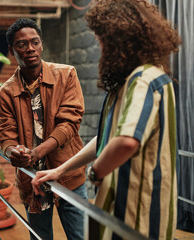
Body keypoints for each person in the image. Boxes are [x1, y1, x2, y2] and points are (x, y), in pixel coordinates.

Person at [32, 0, 181, 239]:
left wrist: (95, 173)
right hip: (118, 209)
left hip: (138, 213)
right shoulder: (126, 84)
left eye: (102, 39)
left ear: (118, 39)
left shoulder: (143, 79)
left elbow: (126, 142)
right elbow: (106, 138)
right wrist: (60, 170)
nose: (100, 46)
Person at [0, 18, 87, 240]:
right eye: (22, 44)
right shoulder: (5, 93)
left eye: (35, 42)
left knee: (80, 236)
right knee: (40, 237)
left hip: (67, 174)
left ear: (41, 44)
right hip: (32, 181)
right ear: (11, 50)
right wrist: (12, 152)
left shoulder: (66, 75)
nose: (30, 49)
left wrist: (37, 152)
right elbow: (5, 134)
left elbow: (70, 122)